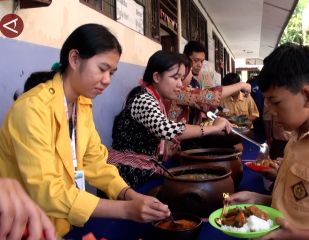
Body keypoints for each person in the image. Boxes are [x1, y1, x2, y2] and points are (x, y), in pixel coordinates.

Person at [0, 24, 170, 237]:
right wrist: (126, 210)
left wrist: (128, 194)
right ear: (74, 59)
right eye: (102, 69)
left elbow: (95, 160)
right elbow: (47, 191)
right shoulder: (31, 108)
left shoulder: (81, 104)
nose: (107, 80)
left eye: (112, 73)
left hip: (62, 225)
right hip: (26, 228)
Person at [226, 43, 309, 239]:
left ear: (307, 96)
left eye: (275, 101)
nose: (270, 110)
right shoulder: (295, 139)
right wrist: (260, 200)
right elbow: (301, 203)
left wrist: (297, 235)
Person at [110, 50, 232, 188]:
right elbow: (166, 129)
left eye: (181, 78)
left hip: (144, 170)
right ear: (157, 77)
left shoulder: (155, 97)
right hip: (129, 177)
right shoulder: (143, 98)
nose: (180, 84)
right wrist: (213, 128)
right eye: (175, 78)